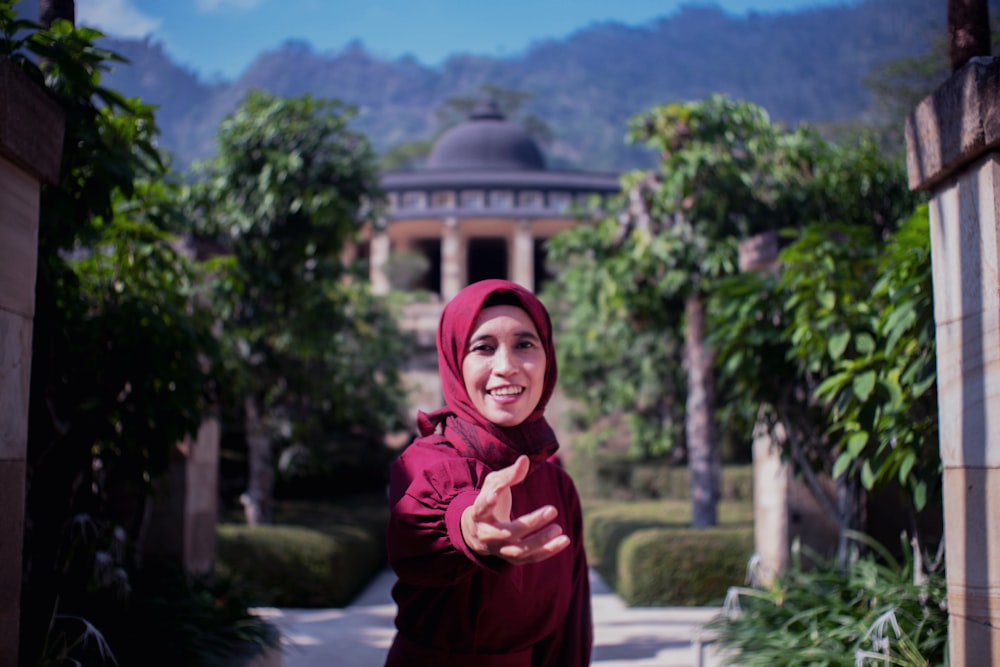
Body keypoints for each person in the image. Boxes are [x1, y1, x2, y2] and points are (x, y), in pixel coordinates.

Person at [384, 279, 592, 666]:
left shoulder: (557, 484)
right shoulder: (422, 461)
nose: (507, 367)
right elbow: (438, 510)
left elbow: (570, 628)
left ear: (548, 360)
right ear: (454, 362)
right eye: (483, 348)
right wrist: (473, 531)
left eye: (525, 345)